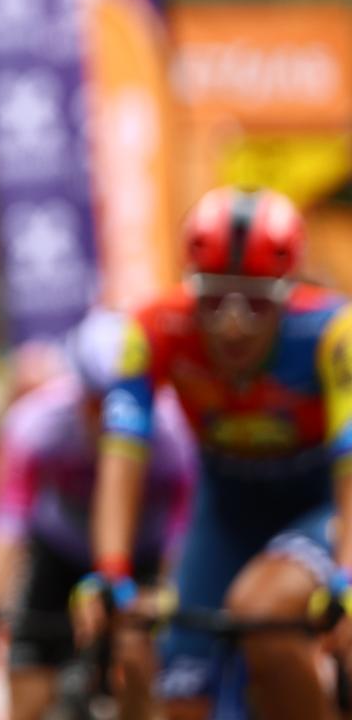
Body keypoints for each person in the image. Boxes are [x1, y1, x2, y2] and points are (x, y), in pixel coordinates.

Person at [74, 187, 352, 720]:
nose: (231, 325)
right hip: (225, 510)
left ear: (288, 293)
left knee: (260, 611)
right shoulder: (153, 328)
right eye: (213, 300)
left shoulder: (332, 333)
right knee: (181, 702)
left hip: (323, 506)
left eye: (255, 303)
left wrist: (346, 576)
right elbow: (122, 457)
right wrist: (110, 571)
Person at [0, 309, 196, 720]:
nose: (107, 420)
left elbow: (185, 536)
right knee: (28, 694)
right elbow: (6, 529)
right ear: (76, 389)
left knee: (138, 658)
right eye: (95, 403)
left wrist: (164, 599)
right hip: (60, 551)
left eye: (119, 404)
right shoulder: (36, 423)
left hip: (144, 556)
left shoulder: (174, 435)